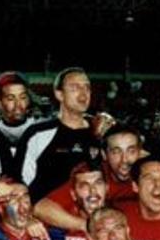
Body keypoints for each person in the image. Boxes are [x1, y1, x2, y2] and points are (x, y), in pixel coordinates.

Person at [18, 67, 106, 201]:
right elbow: (20, 183)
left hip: (92, 212)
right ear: (59, 94)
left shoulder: (101, 131)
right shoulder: (38, 134)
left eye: (87, 88)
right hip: (48, 215)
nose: (83, 94)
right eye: (75, 88)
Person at [0, 71, 41, 150]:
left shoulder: (39, 127)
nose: (18, 105)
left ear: (28, 100)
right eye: (10, 98)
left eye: (22, 97)